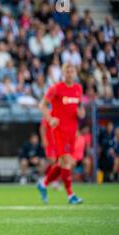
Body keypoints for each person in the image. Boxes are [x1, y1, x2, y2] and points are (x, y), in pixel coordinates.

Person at [37, 63, 86, 205]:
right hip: (59, 131)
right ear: (63, 73)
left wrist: (81, 113)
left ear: (75, 73)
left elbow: (80, 108)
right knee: (68, 162)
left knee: (61, 163)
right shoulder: (56, 88)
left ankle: (44, 183)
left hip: (72, 132)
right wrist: (50, 118)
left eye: (72, 71)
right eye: (67, 71)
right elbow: (42, 105)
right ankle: (71, 195)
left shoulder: (78, 89)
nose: (70, 73)